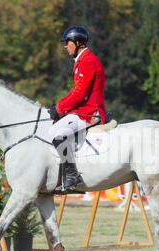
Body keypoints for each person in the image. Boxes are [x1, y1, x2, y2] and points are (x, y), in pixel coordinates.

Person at [48, 25, 106, 191]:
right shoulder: (81, 60)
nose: (65, 46)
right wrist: (58, 107)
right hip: (82, 110)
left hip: (90, 111)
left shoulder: (88, 60)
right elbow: (75, 92)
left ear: (78, 42)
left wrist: (59, 108)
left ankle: (73, 175)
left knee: (56, 133)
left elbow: (80, 94)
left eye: (68, 42)